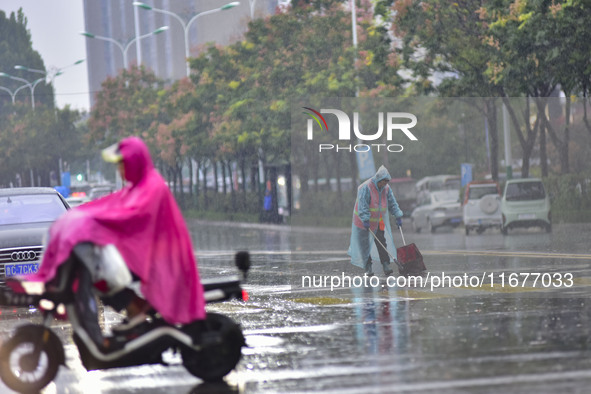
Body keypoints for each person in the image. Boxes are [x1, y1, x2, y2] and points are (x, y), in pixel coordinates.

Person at [27, 136, 206, 328]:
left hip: (157, 259)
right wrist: (82, 214)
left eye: (124, 164)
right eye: (120, 165)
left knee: (102, 273)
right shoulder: (138, 187)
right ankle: (133, 307)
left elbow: (126, 215)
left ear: (135, 162)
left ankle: (133, 308)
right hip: (145, 254)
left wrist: (93, 222)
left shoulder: (152, 186)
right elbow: (110, 205)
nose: (121, 170)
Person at [348, 165, 404, 277]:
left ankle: (386, 264)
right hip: (362, 221)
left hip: (377, 221)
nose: (384, 184)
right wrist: (365, 219)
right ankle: (368, 267)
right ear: (378, 179)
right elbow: (363, 205)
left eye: (386, 182)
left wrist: (397, 215)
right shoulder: (366, 188)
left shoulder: (386, 189)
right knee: (364, 245)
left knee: (381, 242)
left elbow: (392, 203)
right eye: (383, 182)